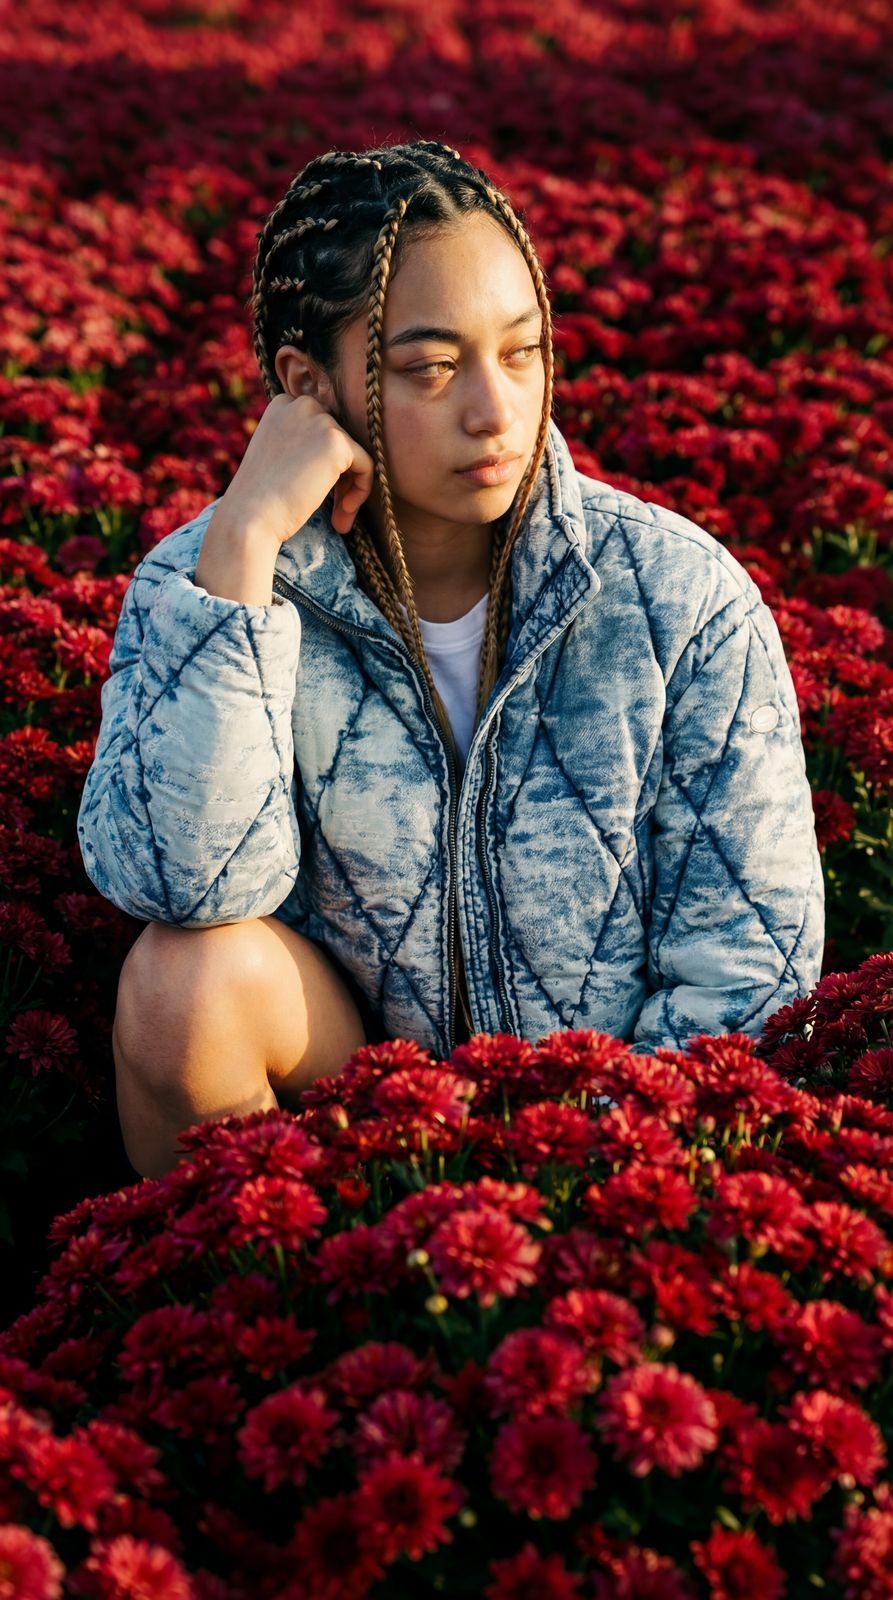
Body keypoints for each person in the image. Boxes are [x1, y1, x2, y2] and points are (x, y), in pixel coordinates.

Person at [77, 139, 825, 1179]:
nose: (494, 410)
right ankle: (285, 1312)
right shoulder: (202, 582)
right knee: (178, 985)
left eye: (519, 351)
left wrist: (572, 1182)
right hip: (350, 1138)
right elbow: (183, 885)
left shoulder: (676, 597)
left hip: (614, 1153)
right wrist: (245, 546)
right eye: (430, 367)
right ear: (307, 384)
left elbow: (747, 975)